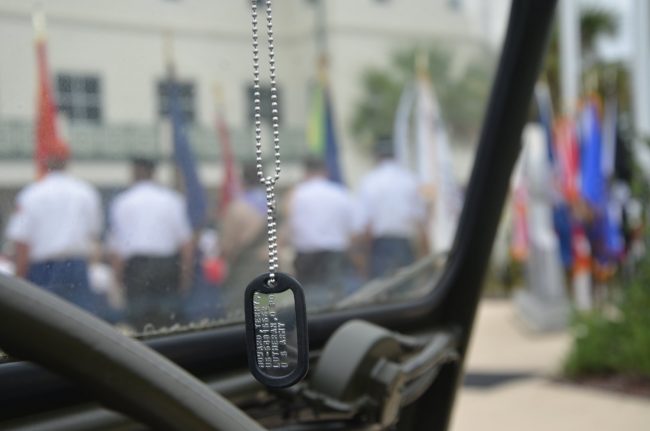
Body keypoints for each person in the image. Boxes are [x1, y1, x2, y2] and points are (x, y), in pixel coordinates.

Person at [5, 149, 103, 312]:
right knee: (82, 323)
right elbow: (94, 235)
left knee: (44, 322)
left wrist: (19, 277)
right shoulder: (84, 192)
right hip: (75, 266)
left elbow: (21, 242)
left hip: (43, 269)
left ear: (45, 161)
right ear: (67, 161)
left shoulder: (31, 194)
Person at [108, 157, 193, 331]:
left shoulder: (123, 202)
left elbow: (117, 249)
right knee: (169, 323)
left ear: (133, 174)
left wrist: (116, 281)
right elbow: (186, 244)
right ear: (153, 173)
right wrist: (186, 276)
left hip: (137, 269)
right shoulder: (171, 199)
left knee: (139, 324)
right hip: (167, 267)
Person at [288, 157, 363, 307]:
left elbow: (290, 226)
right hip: (335, 253)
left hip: (306, 255)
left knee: (307, 300)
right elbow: (355, 230)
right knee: (336, 298)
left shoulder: (297, 194)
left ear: (306, 172)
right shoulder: (341, 193)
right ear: (325, 172)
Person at [358, 137, 427, 279]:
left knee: (382, 293)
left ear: (377, 156)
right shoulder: (411, 179)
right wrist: (424, 254)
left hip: (381, 246)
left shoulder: (369, 181)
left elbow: (367, 224)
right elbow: (421, 222)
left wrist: (364, 258)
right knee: (407, 291)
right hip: (405, 244)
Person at [219, 163, 268, 312]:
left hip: (244, 270)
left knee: (243, 313)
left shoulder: (237, 207)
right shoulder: (275, 204)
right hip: (273, 268)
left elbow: (227, 246)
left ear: (243, 180)